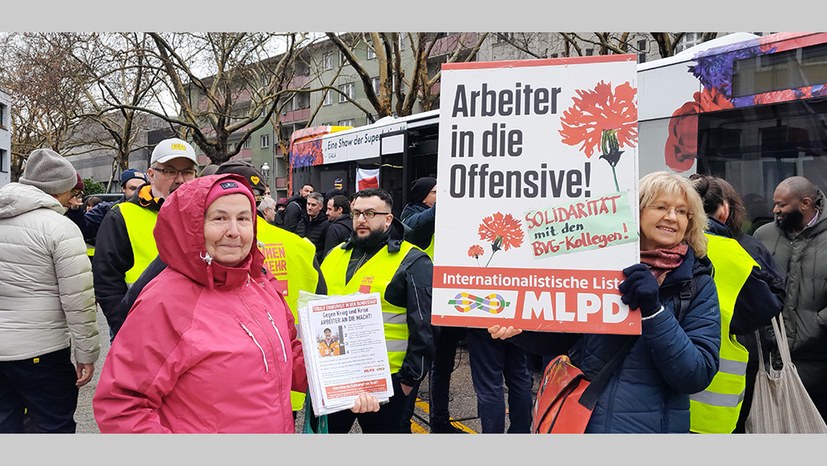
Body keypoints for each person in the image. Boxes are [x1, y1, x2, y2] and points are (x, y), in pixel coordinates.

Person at [490, 171, 721, 433]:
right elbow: (567, 341)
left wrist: (654, 311)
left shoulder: (697, 283)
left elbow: (696, 374)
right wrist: (519, 330)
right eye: (661, 207)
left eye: (682, 212)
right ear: (637, 210)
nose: (671, 217)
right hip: (587, 425)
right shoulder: (600, 268)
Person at [113, 159, 327, 421]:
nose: (234, 231)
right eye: (219, 218)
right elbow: (123, 405)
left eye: (243, 219)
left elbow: (289, 357)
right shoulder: (164, 301)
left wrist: (347, 381)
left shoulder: (261, 283)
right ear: (194, 225)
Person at [320, 188, 436, 433]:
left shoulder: (412, 261)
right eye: (357, 213)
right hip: (335, 378)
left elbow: (425, 328)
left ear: (388, 219)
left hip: (387, 382)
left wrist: (409, 381)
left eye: (370, 213)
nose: (361, 219)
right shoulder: (333, 256)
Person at [0, 148, 100, 433]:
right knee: (52, 426)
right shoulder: (60, 228)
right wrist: (86, 354)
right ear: (62, 189)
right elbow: (78, 301)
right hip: (42, 351)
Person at [689, 174, 784, 433]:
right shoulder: (739, 251)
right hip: (717, 398)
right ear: (726, 209)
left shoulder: (658, 244)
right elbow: (769, 305)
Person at [93, 138, 197, 338]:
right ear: (151, 174)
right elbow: (106, 280)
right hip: (140, 333)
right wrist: (125, 326)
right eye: (170, 171)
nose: (180, 179)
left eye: (187, 172)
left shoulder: (207, 216)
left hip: (193, 333)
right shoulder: (122, 215)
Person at [754, 175, 827, 421]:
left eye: (782, 204)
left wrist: (817, 323)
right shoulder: (764, 235)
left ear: (805, 203)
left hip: (817, 358)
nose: (775, 210)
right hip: (769, 356)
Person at [400, 176, 466, 433]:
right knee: (418, 368)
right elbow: (416, 228)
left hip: (446, 299)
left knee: (444, 366)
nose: (441, 195)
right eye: (437, 191)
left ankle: (440, 421)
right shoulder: (412, 215)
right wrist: (450, 199)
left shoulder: (440, 215)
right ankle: (402, 424)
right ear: (423, 195)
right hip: (425, 302)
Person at [299, 191, 329, 263]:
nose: (309, 207)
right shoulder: (302, 221)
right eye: (308, 204)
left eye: (313, 205)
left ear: (320, 206)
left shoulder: (326, 224)